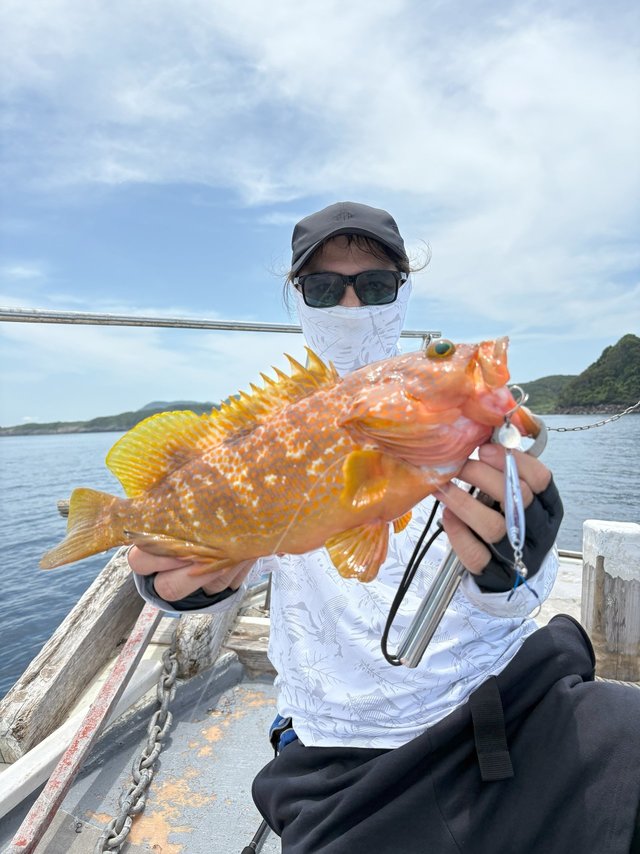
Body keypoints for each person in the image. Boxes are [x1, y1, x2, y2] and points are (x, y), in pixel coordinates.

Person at [130, 202, 640, 853]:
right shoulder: (272, 429)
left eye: (374, 285)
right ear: (299, 297)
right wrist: (184, 585)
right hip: (342, 753)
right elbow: (220, 565)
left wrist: (518, 561)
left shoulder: (466, 417)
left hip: (511, 701)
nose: (351, 305)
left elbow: (519, 593)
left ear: (402, 292)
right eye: (325, 287)